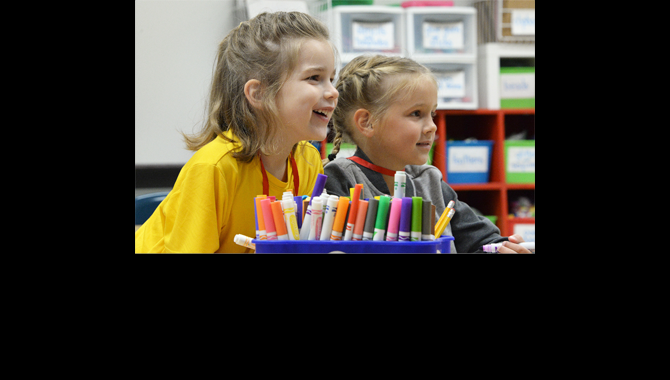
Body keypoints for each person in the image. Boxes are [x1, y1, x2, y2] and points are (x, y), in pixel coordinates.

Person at [136, 11, 339, 253]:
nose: (332, 92)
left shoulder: (307, 160)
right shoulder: (213, 168)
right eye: (315, 78)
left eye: (331, 79)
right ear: (259, 93)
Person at [322, 55, 530, 253]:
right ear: (367, 122)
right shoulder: (339, 179)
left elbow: (482, 240)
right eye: (416, 114)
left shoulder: (429, 180)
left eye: (432, 114)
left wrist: (502, 248)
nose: (432, 127)